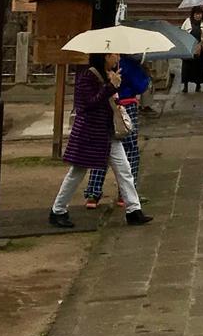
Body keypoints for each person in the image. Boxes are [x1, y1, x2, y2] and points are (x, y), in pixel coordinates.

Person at [49, 54, 151, 227]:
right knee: (77, 172)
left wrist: (114, 85)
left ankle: (134, 210)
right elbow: (88, 103)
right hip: (89, 132)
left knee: (124, 169)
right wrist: (111, 87)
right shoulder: (88, 76)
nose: (117, 57)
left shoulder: (109, 73)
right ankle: (58, 210)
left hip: (107, 132)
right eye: (113, 54)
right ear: (104, 57)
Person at [83, 53, 148, 208]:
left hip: (105, 107)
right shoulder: (129, 63)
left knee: (102, 149)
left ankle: (93, 192)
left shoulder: (98, 67)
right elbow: (140, 85)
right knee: (130, 149)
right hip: (126, 105)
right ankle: (124, 194)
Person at [182, 8, 203, 91]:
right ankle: (185, 85)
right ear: (193, 14)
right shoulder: (187, 21)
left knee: (200, 67)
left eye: (200, 14)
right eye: (196, 14)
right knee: (187, 67)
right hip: (189, 47)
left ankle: (198, 85)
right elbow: (182, 32)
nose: (198, 16)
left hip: (201, 48)